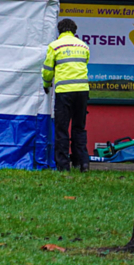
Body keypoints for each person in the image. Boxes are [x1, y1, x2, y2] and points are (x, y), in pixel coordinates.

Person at [42, 18, 91, 172]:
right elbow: (85, 64)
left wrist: (46, 84)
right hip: (83, 91)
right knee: (79, 127)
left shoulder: (55, 46)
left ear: (59, 30)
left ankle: (63, 166)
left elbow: (48, 70)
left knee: (62, 128)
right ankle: (82, 163)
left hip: (64, 92)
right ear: (74, 31)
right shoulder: (84, 46)